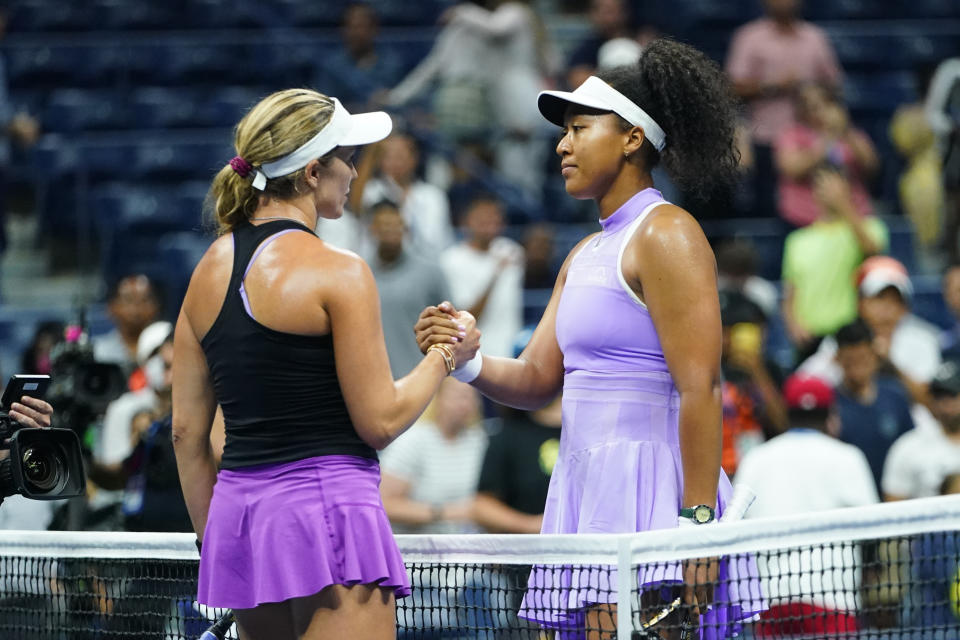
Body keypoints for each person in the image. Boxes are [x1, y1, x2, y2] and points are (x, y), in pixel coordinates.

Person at [415, 39, 760, 639]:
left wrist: (698, 523)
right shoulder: (584, 253)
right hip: (585, 488)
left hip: (654, 498)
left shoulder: (667, 233)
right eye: (563, 131)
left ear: (632, 138)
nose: (562, 144)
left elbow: (702, 386)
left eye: (579, 127)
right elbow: (534, 380)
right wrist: (466, 360)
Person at [171, 88, 479, 640]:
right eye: (348, 160)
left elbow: (187, 433)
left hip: (243, 524)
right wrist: (445, 353)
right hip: (331, 512)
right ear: (314, 172)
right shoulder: (340, 271)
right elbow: (380, 421)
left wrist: (213, 541)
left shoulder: (206, 272)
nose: (356, 174)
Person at [734, 373, 878, 637]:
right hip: (834, 597)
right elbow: (873, 532)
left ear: (788, 413)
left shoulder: (756, 458)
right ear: (830, 415)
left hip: (772, 599)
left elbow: (736, 530)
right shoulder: (848, 458)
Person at [725, 0, 843, 218]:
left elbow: (834, 85)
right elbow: (733, 88)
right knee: (768, 211)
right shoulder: (750, 37)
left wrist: (810, 91)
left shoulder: (814, 38)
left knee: (813, 208)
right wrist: (773, 87)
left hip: (808, 140)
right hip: (766, 140)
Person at [378, 378, 488, 534]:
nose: (465, 404)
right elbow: (385, 504)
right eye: (458, 395)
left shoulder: (479, 441)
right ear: (438, 398)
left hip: (464, 549)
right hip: (418, 550)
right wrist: (446, 513)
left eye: (471, 397)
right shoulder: (413, 440)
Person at [774, 82, 879, 227]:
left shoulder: (851, 134)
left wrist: (845, 131)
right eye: (812, 107)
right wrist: (829, 137)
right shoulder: (792, 135)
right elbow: (792, 169)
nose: (819, 111)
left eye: (825, 104)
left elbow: (871, 166)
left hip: (854, 216)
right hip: (804, 219)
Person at [367, 200, 452, 378]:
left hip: (423, 381)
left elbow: (451, 328)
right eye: (384, 225)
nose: (390, 230)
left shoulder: (430, 272)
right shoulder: (360, 273)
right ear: (372, 229)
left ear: (405, 229)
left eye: (396, 224)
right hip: (373, 383)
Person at [832, 319, 915, 494]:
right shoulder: (831, 405)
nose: (857, 368)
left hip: (895, 494)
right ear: (838, 358)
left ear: (874, 355)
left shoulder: (895, 395)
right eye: (850, 361)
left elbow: (910, 448)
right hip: (850, 495)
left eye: (863, 359)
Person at [440, 195, 524, 359]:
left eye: (494, 216)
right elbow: (466, 316)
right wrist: (495, 275)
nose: (489, 222)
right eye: (482, 217)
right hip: (474, 355)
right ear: (466, 221)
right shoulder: (451, 260)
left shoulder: (512, 250)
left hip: (511, 351)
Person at [882, 360, 960, 501]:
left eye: (953, 396)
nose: (946, 405)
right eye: (939, 397)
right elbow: (893, 508)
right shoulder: (909, 447)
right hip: (932, 521)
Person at [316, 3, 405, 112]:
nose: (356, 33)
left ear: (374, 29)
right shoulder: (331, 65)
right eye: (351, 27)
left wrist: (388, 100)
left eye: (361, 27)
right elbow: (324, 106)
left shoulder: (392, 62)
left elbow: (402, 103)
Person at [93, 274, 162, 378]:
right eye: (128, 300)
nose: (136, 308)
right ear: (111, 308)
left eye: (144, 300)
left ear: (156, 306)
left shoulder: (166, 350)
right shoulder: (98, 352)